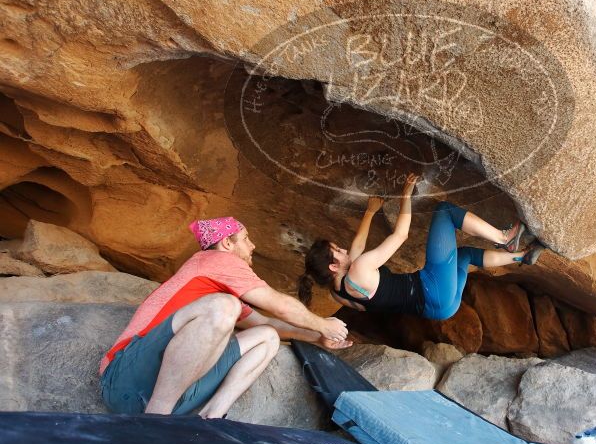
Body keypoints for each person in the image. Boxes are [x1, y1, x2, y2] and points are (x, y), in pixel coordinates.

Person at [100, 216, 351, 419]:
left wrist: (317, 337)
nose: (252, 246)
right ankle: (156, 421)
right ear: (227, 244)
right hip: (124, 380)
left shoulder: (219, 291)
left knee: (267, 337)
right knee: (224, 306)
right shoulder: (215, 261)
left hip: (176, 393)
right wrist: (323, 324)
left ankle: (212, 418)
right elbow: (280, 306)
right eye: (245, 238)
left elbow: (265, 323)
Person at [298, 175, 545, 320]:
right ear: (333, 265)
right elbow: (401, 235)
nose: (343, 249)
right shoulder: (360, 268)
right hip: (432, 289)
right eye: (337, 251)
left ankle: (523, 256)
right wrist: (405, 195)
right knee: (444, 211)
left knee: (465, 255)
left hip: (440, 310)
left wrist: (370, 212)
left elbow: (357, 246)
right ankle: (504, 238)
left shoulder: (338, 291)